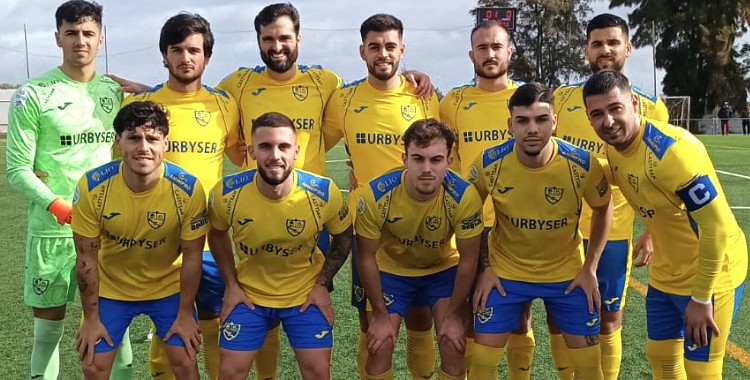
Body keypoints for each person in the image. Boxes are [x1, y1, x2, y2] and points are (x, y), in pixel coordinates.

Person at [583, 69, 748, 379]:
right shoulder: (613, 147)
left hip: (710, 275)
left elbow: (717, 228)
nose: (607, 121)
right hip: (665, 273)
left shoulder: (674, 152)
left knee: (701, 371)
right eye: (597, 114)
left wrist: (701, 298)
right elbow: (642, 186)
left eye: (615, 108)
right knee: (661, 357)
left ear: (633, 102)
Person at [4, 1, 131, 378]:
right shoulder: (33, 93)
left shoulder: (112, 92)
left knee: (115, 329)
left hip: (109, 229)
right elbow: (16, 169)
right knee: (48, 331)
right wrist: (59, 205)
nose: (80, 41)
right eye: (72, 32)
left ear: (101, 38)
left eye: (89, 33)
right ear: (57, 36)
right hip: (53, 231)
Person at [120, 13, 242, 380]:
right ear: (164, 55)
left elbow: (242, 154)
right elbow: (123, 169)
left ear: (206, 56)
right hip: (160, 241)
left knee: (215, 321)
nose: (186, 58)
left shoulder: (225, 105)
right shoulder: (144, 105)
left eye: (194, 50)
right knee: (168, 325)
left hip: (209, 242)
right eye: (177, 50)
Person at [323, 13, 441, 379]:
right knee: (371, 322)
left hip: (422, 222)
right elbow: (312, 145)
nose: (383, 53)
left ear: (402, 50)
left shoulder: (424, 95)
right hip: (366, 227)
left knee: (421, 320)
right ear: (362, 51)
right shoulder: (344, 99)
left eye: (390, 46)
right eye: (375, 46)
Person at [551, 13, 669, 379]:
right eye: (597, 43)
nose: (605, 50)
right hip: (561, 229)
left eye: (613, 42)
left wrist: (650, 230)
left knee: (608, 318)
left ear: (628, 48)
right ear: (586, 49)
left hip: (614, 231)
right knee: (560, 319)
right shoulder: (562, 97)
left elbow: (659, 175)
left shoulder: (651, 107)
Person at [468, 83, 613, 380]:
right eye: (522, 121)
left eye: (541, 119)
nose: (532, 129)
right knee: (481, 363)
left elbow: (603, 206)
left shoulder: (583, 165)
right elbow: (467, 213)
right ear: (510, 125)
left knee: (589, 368)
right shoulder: (488, 163)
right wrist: (485, 268)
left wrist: (590, 267)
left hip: (567, 275)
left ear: (555, 122)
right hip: (507, 273)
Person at [207, 111, 353, 380]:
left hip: (304, 295)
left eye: (283, 146)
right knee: (228, 373)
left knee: (319, 372)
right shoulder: (226, 193)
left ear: (296, 151)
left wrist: (321, 285)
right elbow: (216, 234)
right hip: (249, 295)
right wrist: (231, 284)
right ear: (251, 151)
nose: (275, 155)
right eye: (265, 146)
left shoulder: (322, 191)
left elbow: (344, 237)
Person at [72, 101, 207, 380]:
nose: (143, 147)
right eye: (133, 138)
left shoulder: (188, 189)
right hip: (111, 288)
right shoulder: (92, 186)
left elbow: (193, 256)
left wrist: (184, 315)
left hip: (166, 286)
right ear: (118, 141)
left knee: (184, 359)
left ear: (165, 144)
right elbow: (85, 258)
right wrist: (91, 319)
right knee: (93, 365)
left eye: (152, 138)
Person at [354, 119, 483, 380]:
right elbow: (365, 257)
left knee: (453, 341)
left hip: (442, 270)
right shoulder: (375, 195)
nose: (426, 169)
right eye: (418, 159)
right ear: (405, 159)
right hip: (390, 271)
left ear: (449, 160)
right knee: (380, 344)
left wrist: (456, 314)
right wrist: (378, 313)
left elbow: (469, 260)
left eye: (436, 160)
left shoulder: (464, 196)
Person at [439, 19, 526, 376]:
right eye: (482, 48)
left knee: (521, 318)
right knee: (472, 312)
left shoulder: (528, 97)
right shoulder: (453, 102)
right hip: (472, 227)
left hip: (519, 226)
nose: (490, 54)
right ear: (471, 54)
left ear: (510, 52)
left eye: (496, 47)